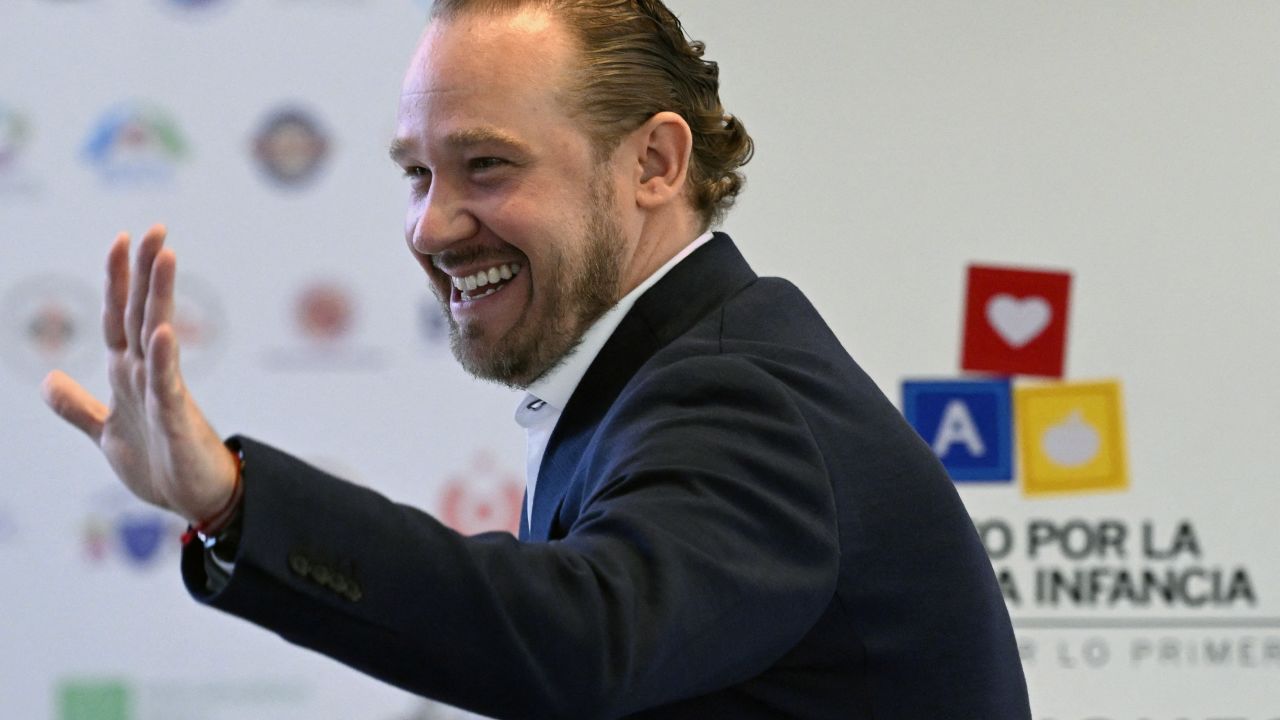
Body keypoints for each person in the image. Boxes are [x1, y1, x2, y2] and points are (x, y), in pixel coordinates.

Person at [41, 1, 1032, 718]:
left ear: (653, 164)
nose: (430, 226)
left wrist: (235, 502)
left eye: (486, 165)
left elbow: (579, 640)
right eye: (417, 173)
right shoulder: (661, 376)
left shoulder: (737, 398)